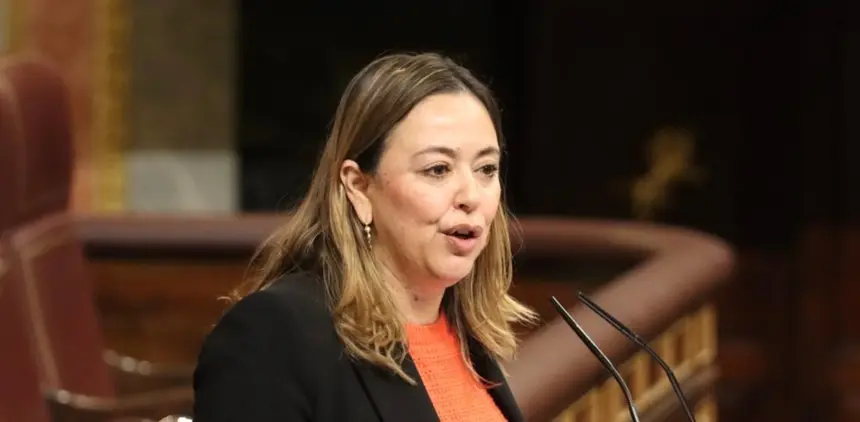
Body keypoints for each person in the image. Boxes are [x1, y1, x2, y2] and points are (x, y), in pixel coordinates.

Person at [193, 52, 538, 421]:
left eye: (486, 168)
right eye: (438, 169)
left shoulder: (469, 340)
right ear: (358, 187)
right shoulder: (275, 335)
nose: (471, 195)